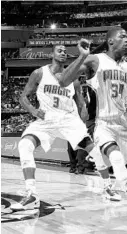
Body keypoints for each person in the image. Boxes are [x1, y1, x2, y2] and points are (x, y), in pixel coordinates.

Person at [56, 28, 127, 229]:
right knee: (115, 159)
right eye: (123, 36)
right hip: (103, 123)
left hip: (124, 123)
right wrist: (82, 56)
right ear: (110, 41)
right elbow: (63, 80)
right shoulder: (95, 60)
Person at [10, 45, 101, 212]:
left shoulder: (73, 79)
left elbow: (80, 103)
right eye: (59, 50)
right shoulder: (39, 73)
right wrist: (34, 110)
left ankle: (109, 184)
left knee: (93, 150)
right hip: (46, 121)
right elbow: (23, 97)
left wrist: (84, 119)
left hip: (68, 120)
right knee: (25, 145)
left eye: (65, 51)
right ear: (52, 54)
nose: (63, 52)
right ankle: (31, 194)